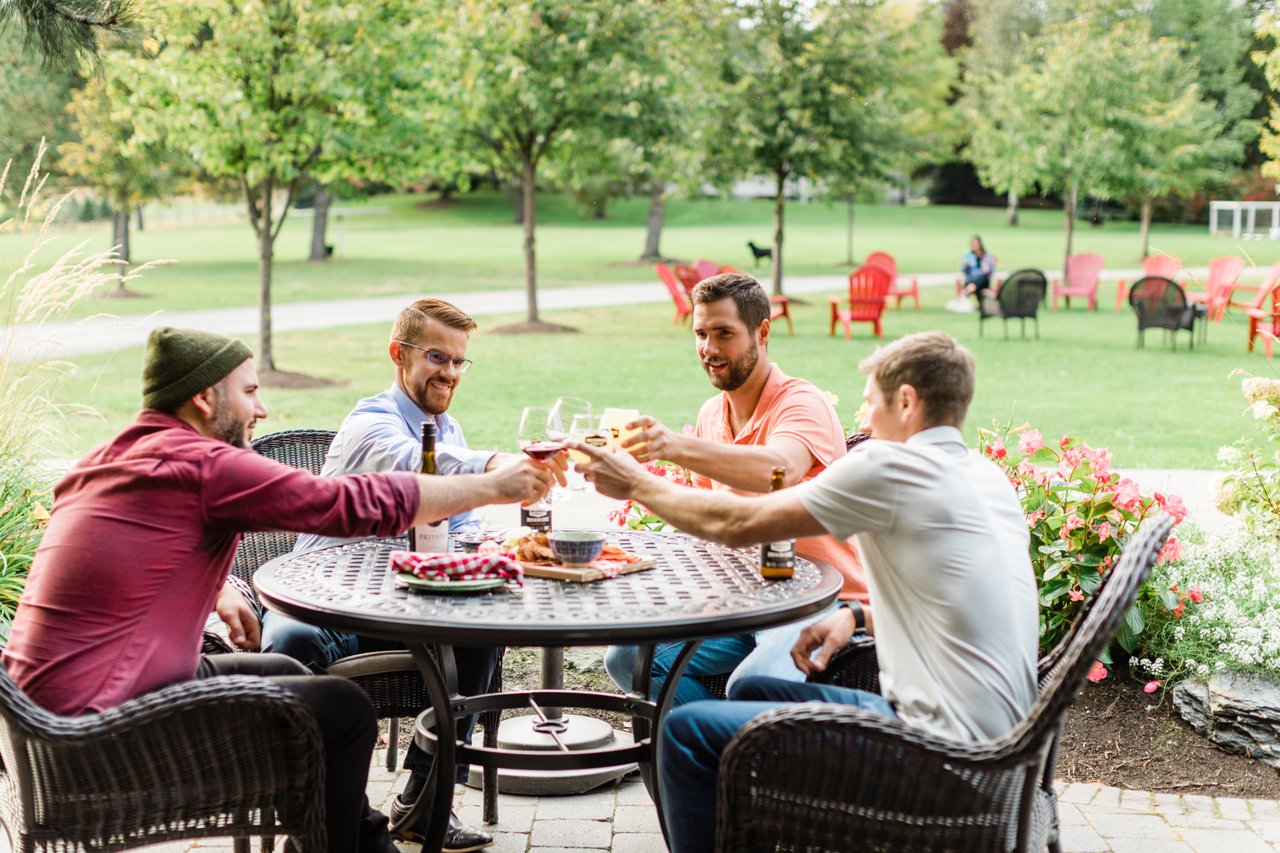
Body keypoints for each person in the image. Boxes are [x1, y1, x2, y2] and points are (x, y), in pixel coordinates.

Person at [2, 327, 554, 853]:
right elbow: (344, 504)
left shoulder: (112, 458)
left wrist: (216, 585)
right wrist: (492, 485)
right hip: (103, 729)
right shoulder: (205, 465)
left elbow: (132, 545)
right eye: (249, 392)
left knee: (289, 677)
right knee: (343, 708)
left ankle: (345, 840)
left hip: (49, 717)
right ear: (202, 398)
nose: (262, 410)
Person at [572, 331, 1038, 853]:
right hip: (1003, 753)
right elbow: (948, 599)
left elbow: (734, 521)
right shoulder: (984, 476)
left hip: (942, 758)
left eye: (867, 401)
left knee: (685, 731)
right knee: (752, 692)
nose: (859, 421)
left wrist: (636, 483)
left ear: (905, 401)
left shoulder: (891, 465)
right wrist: (858, 618)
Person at [260, 298, 565, 852]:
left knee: (477, 636)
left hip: (399, 606)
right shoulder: (371, 425)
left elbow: (459, 528)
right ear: (399, 354)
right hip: (327, 600)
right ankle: (327, 815)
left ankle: (424, 802)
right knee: (287, 642)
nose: (449, 372)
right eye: (436, 357)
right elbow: (415, 468)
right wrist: (496, 466)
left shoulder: (449, 427)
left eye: (458, 361)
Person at [604, 272, 867, 707]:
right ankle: (718, 755)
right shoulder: (712, 414)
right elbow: (708, 517)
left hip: (816, 600)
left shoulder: (801, 402)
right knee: (627, 657)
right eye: (701, 334)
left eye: (724, 333)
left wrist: (673, 445)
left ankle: (731, 755)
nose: (709, 349)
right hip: (745, 600)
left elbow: (778, 468)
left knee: (753, 684)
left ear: (762, 332)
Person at [960, 234, 996, 301]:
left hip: (983, 280)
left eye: (976, 243)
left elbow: (992, 272)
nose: (974, 245)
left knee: (981, 278)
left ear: (980, 244)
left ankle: (968, 291)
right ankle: (971, 289)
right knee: (972, 283)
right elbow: (963, 271)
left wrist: (988, 269)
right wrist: (965, 265)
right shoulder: (968, 256)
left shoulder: (987, 256)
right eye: (973, 244)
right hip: (971, 279)